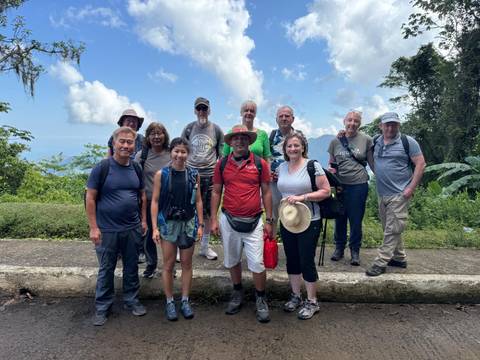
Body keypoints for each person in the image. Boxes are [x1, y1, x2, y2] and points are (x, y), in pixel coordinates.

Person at [211, 125, 273, 323]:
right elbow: (216, 192)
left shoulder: (261, 164)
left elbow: (267, 192)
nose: (239, 141)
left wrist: (270, 220)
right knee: (232, 259)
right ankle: (237, 292)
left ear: (249, 141)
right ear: (230, 142)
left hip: (254, 220)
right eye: (235, 138)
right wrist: (213, 218)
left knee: (257, 262)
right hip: (228, 219)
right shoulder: (221, 164)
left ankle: (260, 298)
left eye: (243, 138)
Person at [86, 126, 148, 326]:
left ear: (133, 145)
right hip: (107, 229)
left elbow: (142, 196)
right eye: (121, 141)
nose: (125, 145)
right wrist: (94, 227)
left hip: (131, 228)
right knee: (106, 268)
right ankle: (103, 307)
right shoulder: (102, 167)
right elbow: (90, 197)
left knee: (131, 267)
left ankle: (132, 300)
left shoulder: (136, 168)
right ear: (113, 143)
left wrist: (143, 220)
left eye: (129, 142)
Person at [276, 133, 330, 319]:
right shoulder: (282, 167)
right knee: (292, 259)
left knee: (306, 259)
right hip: (289, 220)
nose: (292, 149)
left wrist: (302, 197)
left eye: (296, 145)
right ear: (285, 149)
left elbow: (325, 191)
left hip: (310, 220)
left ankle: (312, 301)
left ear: (303, 147)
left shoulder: (312, 166)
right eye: (289, 146)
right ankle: (296, 295)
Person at [366, 112, 426, 276]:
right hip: (382, 193)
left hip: (400, 193)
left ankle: (381, 262)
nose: (390, 127)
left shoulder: (408, 142)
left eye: (394, 124)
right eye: (387, 124)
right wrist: (376, 171)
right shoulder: (376, 141)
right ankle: (399, 258)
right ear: (381, 126)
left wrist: (410, 188)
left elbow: (420, 164)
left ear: (398, 125)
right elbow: (368, 155)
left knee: (392, 229)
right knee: (390, 226)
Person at [151, 138, 204, 320]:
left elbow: (198, 201)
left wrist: (200, 225)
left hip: (188, 222)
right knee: (168, 264)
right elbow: (155, 201)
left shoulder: (193, 174)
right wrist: (154, 228)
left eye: (183, 152)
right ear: (171, 152)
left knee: (187, 264)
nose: (179, 155)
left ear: (188, 154)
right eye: (176, 151)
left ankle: (185, 300)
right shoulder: (162, 174)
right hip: (168, 223)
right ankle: (169, 301)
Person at [328, 110, 374, 265]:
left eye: (356, 121)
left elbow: (372, 162)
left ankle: (355, 251)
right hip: (340, 185)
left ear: (359, 124)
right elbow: (332, 163)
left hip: (359, 185)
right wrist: (330, 173)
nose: (352, 123)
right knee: (339, 217)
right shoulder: (336, 141)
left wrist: (382, 179)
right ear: (344, 121)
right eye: (350, 120)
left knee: (355, 220)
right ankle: (339, 248)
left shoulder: (366, 140)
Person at [181, 97, 224, 261]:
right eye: (198, 109)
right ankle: (183, 245)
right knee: (186, 210)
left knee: (207, 213)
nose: (201, 112)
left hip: (210, 176)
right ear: (194, 110)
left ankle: (205, 247)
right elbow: (181, 150)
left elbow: (221, 154)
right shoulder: (188, 128)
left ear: (209, 110)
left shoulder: (216, 130)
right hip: (191, 175)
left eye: (204, 109)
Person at [108, 108, 146, 263]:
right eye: (128, 120)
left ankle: (139, 250)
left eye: (134, 121)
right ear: (122, 122)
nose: (131, 123)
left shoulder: (142, 139)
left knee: (137, 216)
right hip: (118, 179)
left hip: (136, 177)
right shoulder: (114, 137)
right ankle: (117, 250)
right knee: (116, 215)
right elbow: (109, 155)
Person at [134, 122, 171, 278]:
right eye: (152, 134)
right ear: (148, 137)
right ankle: (151, 265)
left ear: (165, 135)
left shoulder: (171, 153)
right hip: (148, 202)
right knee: (149, 235)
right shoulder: (141, 156)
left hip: (169, 201)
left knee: (168, 236)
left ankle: (169, 267)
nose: (156, 137)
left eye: (159, 133)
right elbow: (135, 178)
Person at [269, 105, 305, 238]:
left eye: (287, 116)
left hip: (293, 182)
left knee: (293, 212)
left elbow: (305, 157)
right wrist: (268, 171)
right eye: (281, 116)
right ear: (276, 119)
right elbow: (268, 156)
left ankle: (292, 245)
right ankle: (271, 246)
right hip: (274, 183)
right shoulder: (272, 136)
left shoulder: (299, 136)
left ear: (293, 119)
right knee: (272, 215)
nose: (284, 118)